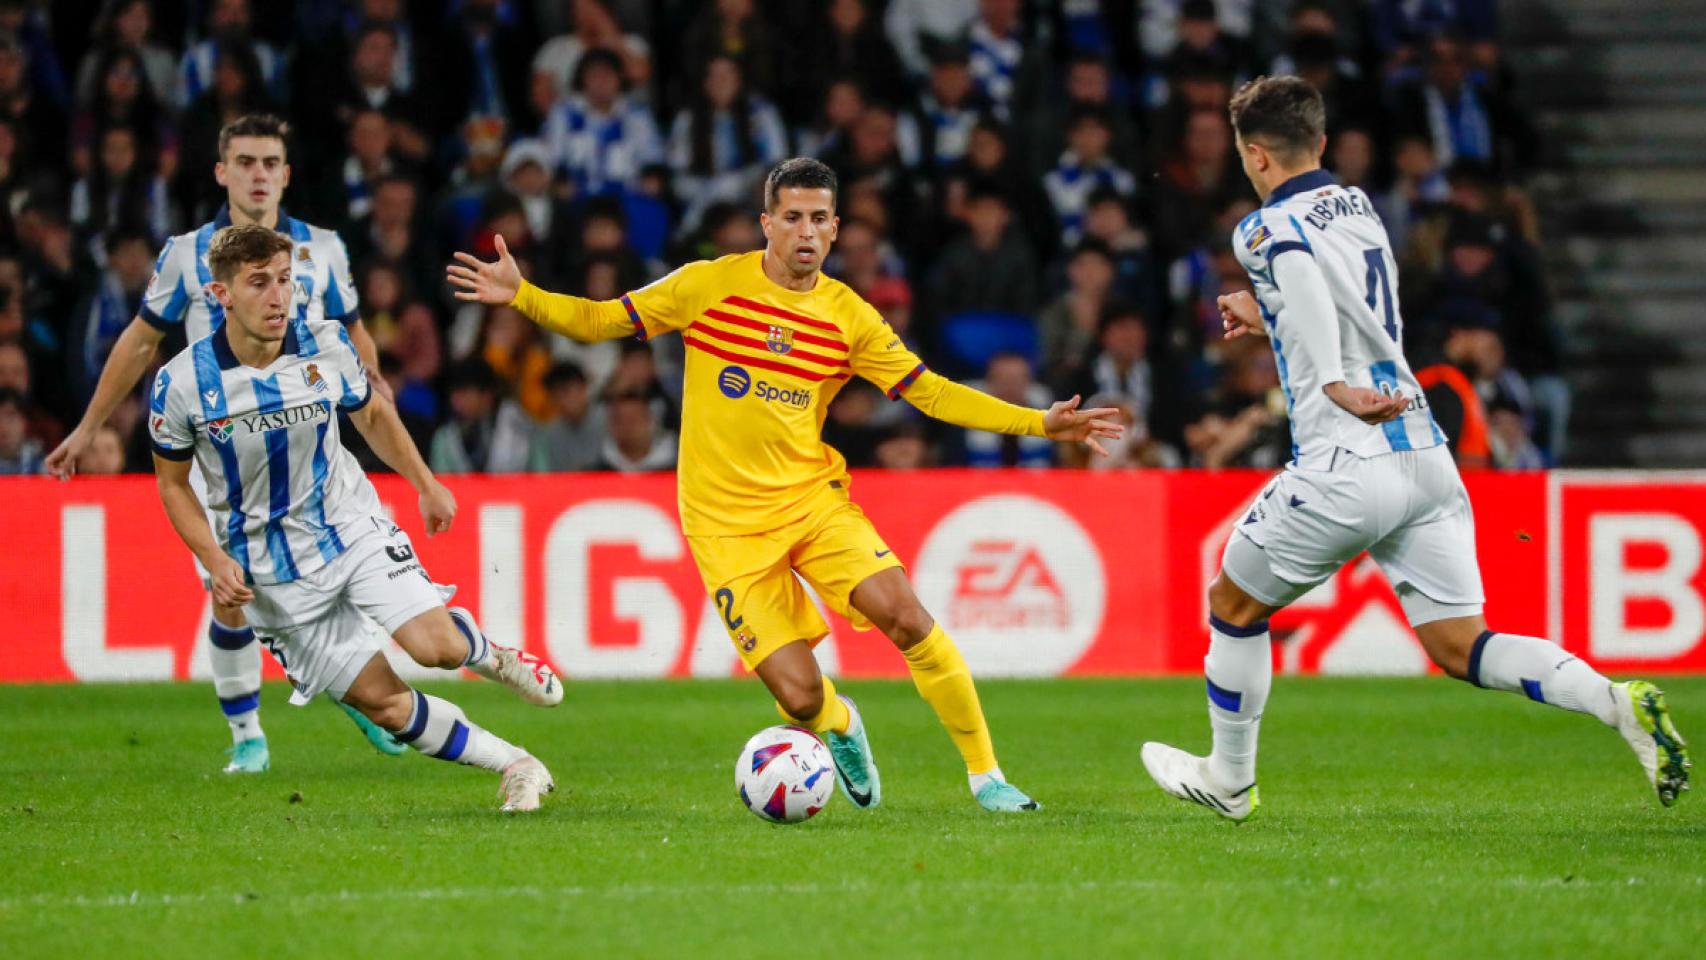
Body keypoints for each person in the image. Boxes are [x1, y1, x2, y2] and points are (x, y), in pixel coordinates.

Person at [450, 157, 1123, 813]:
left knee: (907, 616)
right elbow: (601, 320)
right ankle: (839, 723)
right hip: (724, 529)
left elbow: (933, 394)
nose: (806, 231)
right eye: (793, 217)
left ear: (835, 231)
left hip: (810, 502)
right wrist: (524, 296)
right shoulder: (708, 284)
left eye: (820, 219)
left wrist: (1038, 422)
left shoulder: (849, 316)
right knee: (800, 697)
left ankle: (987, 778)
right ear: (765, 223)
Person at [1141, 76, 1690, 821]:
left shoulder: (1262, 228)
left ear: (1255, 155)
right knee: (1463, 645)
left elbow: (1301, 274)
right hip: (1424, 456)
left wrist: (1327, 378)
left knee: (1232, 603)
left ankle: (1230, 781)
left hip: (1346, 457)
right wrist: (1269, 311)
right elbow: (1344, 306)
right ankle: (1614, 701)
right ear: (1324, 144)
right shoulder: (1360, 206)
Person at [149, 224, 562, 811]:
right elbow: (171, 485)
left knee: (436, 648)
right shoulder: (184, 383)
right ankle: (517, 765)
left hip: (347, 528)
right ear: (222, 294)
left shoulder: (324, 344)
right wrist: (214, 559)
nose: (277, 296)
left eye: (286, 281)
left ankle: (491, 655)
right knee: (385, 705)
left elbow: (371, 418)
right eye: (259, 283)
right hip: (270, 572)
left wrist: (425, 483)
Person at [44, 113, 399, 775]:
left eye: (270, 162)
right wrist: (88, 427)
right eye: (245, 162)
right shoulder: (187, 253)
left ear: (286, 174)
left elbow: (353, 334)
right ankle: (247, 735)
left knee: (340, 582)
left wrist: (373, 387)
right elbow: (142, 341)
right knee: (232, 593)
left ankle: (358, 692)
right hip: (223, 457)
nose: (258, 174)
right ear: (221, 172)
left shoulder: (322, 248)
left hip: (310, 452)